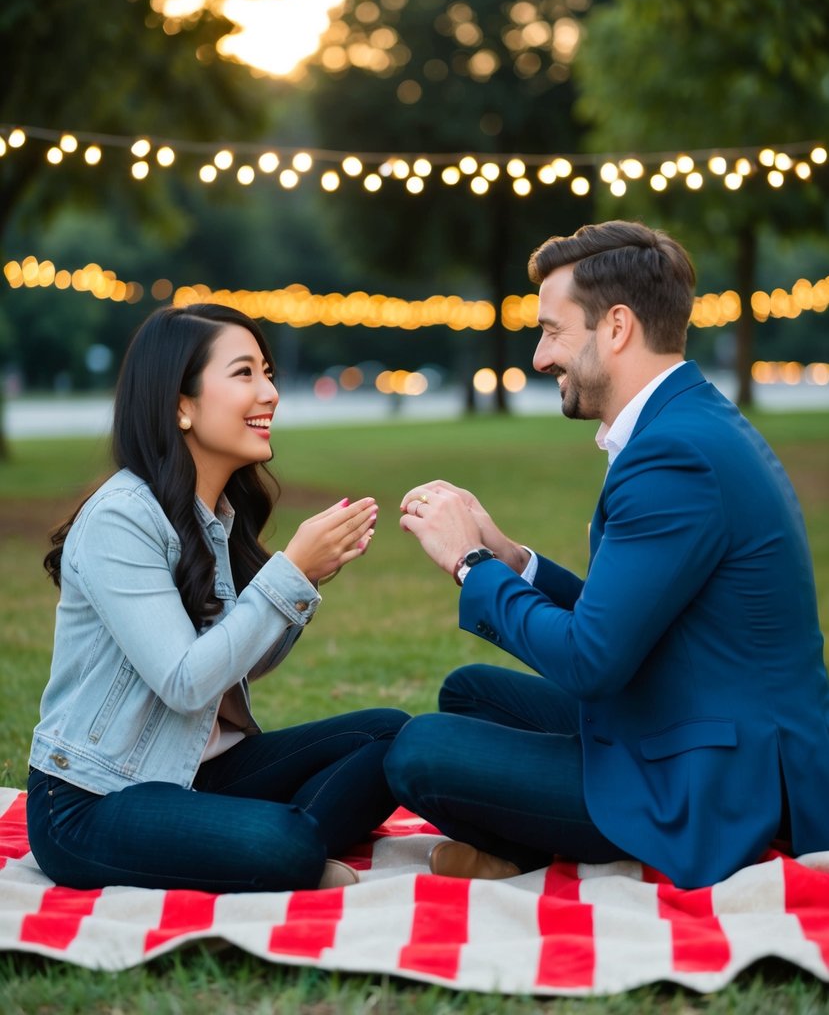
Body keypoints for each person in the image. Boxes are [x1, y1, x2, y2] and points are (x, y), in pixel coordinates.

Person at [384, 219, 829, 890]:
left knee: (418, 751)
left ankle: (529, 847)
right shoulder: (685, 422)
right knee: (468, 693)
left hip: (716, 780)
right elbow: (621, 615)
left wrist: (467, 566)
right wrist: (509, 559)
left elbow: (590, 661)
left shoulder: (672, 455)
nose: (538, 357)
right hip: (688, 716)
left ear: (615, 328)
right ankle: (527, 842)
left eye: (552, 331)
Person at [27, 303, 408, 893]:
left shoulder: (216, 513)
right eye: (244, 373)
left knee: (392, 736)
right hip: (94, 800)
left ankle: (271, 842)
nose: (270, 393)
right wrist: (289, 574)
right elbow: (186, 681)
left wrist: (305, 579)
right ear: (181, 404)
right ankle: (282, 844)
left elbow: (239, 662)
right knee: (283, 844)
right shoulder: (121, 519)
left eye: (268, 373)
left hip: (195, 773)